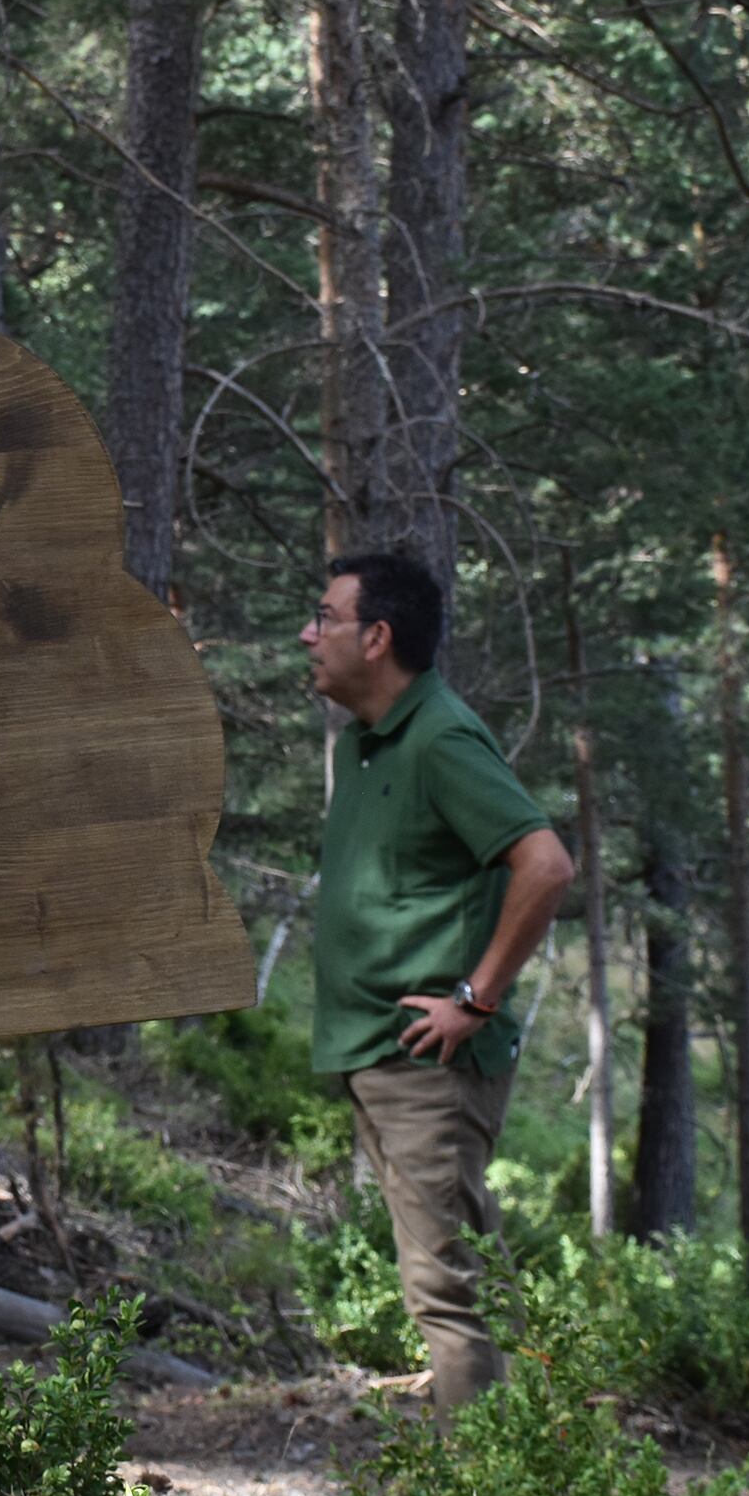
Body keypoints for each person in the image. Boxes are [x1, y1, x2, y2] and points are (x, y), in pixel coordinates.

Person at [301, 551, 575, 1414]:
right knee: (468, 1279)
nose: (308, 635)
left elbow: (545, 863)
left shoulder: (440, 737)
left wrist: (475, 999)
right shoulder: (369, 741)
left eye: (326, 618)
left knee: (448, 1293)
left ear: (376, 637)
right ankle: (523, 1482)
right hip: (378, 1055)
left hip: (428, 1067)